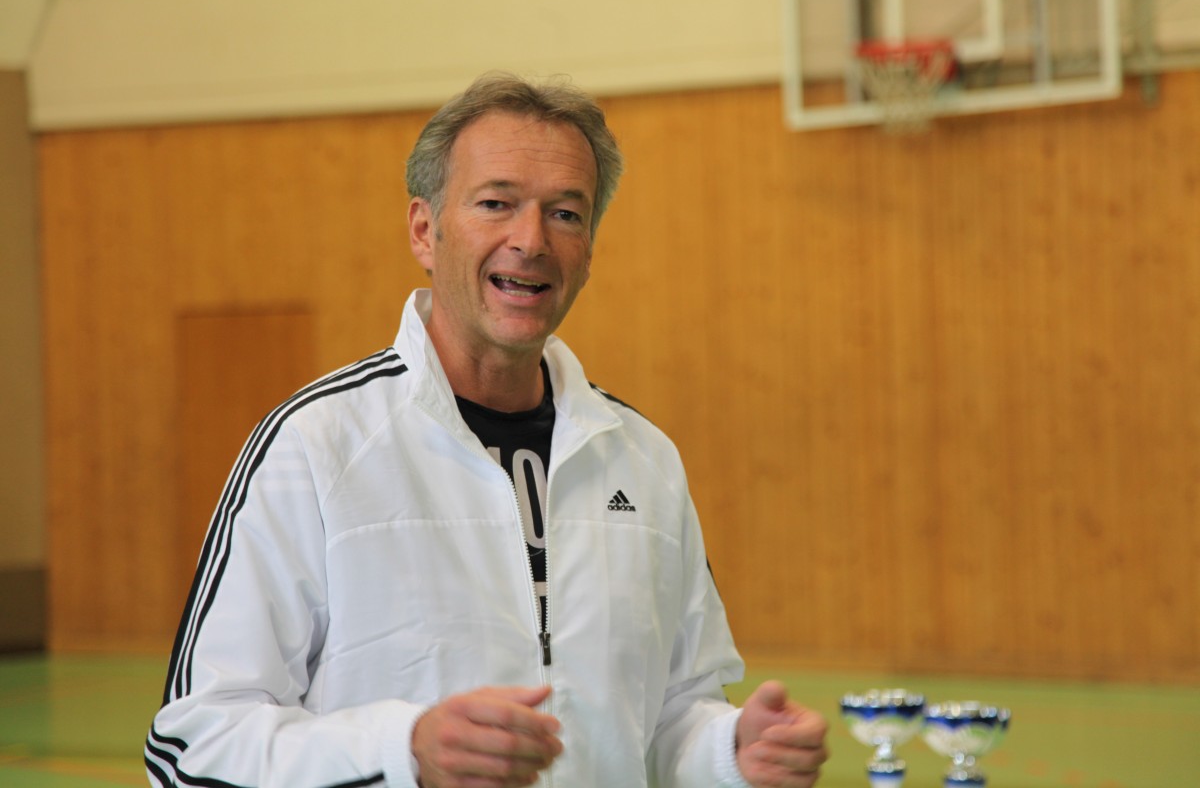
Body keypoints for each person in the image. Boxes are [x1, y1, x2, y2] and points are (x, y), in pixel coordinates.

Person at [145, 71, 828, 788]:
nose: (531, 241)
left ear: (589, 250)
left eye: (565, 213)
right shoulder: (316, 446)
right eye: (496, 203)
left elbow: (669, 715)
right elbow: (194, 747)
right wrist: (402, 751)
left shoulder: (643, 459)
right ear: (425, 230)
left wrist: (729, 752)